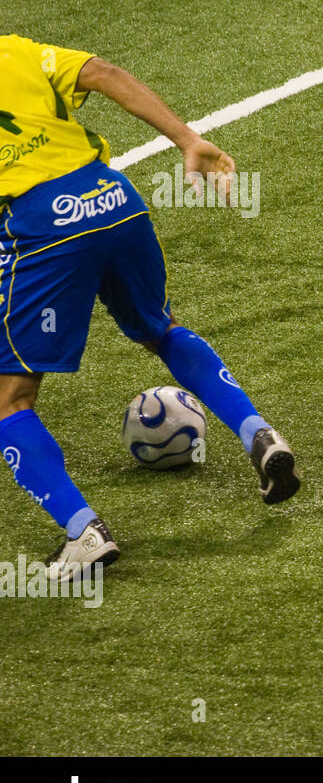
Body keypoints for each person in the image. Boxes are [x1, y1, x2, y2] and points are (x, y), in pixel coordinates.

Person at [0, 34, 301, 581]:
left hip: (41, 224)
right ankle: (258, 431)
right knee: (160, 329)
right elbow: (107, 73)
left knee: (10, 399)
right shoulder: (13, 50)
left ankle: (82, 531)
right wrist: (188, 139)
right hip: (113, 198)